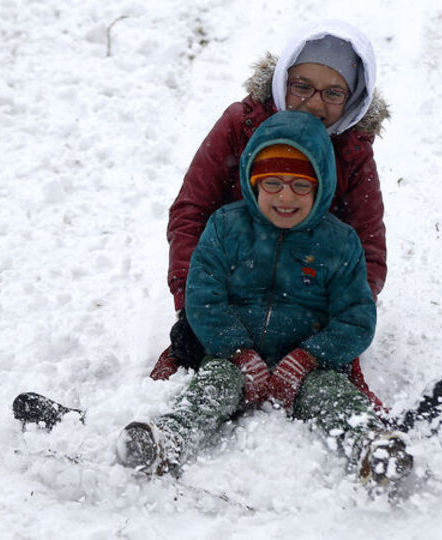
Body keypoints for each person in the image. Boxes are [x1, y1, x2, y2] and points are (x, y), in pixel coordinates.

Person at [117, 111, 412, 489]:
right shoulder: (226, 228)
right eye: (272, 182)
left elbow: (356, 318)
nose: (285, 196)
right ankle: (167, 439)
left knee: (334, 394)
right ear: (253, 181)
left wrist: (309, 358)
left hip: (308, 367)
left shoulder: (339, 243)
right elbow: (204, 298)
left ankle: (372, 444)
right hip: (234, 359)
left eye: (300, 185)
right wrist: (237, 352)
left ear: (321, 186)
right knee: (213, 384)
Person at [152, 20, 389, 408]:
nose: (315, 103)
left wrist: (340, 319)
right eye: (302, 86)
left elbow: (368, 244)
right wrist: (190, 302)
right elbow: (191, 211)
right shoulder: (242, 125)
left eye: (333, 93)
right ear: (283, 80)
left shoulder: (352, 149)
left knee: (332, 392)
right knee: (192, 381)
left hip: (308, 297)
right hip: (235, 288)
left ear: (353, 98)